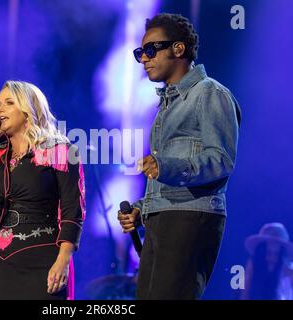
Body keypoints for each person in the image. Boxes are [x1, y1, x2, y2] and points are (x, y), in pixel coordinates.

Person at [117, 13, 241, 299]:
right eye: (139, 53)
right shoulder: (168, 104)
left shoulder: (209, 93)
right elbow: (167, 176)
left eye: (150, 50)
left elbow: (220, 160)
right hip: (165, 217)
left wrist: (165, 166)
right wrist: (142, 208)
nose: (143, 59)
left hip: (192, 217)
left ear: (178, 49)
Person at [0, 81, 85, 300]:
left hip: (41, 261)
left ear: (28, 110)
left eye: (8, 103)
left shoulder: (60, 152)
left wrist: (63, 260)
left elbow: (74, 210)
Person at [241, 223, 293, 300]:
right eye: (268, 253)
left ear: (283, 256)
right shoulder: (252, 265)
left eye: (276, 254)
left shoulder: (290, 273)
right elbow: (245, 295)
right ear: (261, 253)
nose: (272, 258)